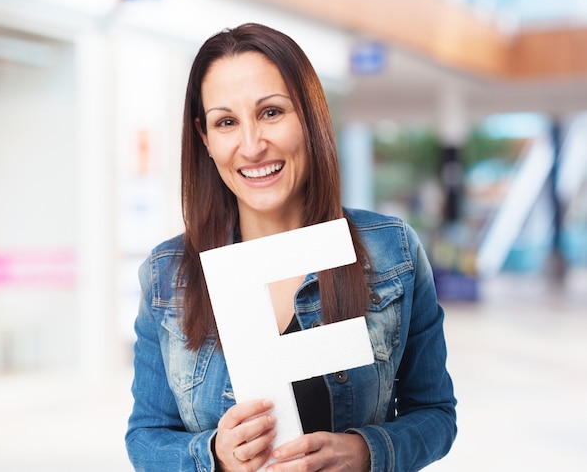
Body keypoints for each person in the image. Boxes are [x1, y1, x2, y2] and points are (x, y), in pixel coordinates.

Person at [125, 23, 457, 472]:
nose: (252, 145)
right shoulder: (169, 274)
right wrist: (216, 456)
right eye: (226, 122)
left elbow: (436, 414)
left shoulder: (392, 250)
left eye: (271, 113)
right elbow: (145, 438)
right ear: (206, 138)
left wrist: (365, 451)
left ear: (308, 115)